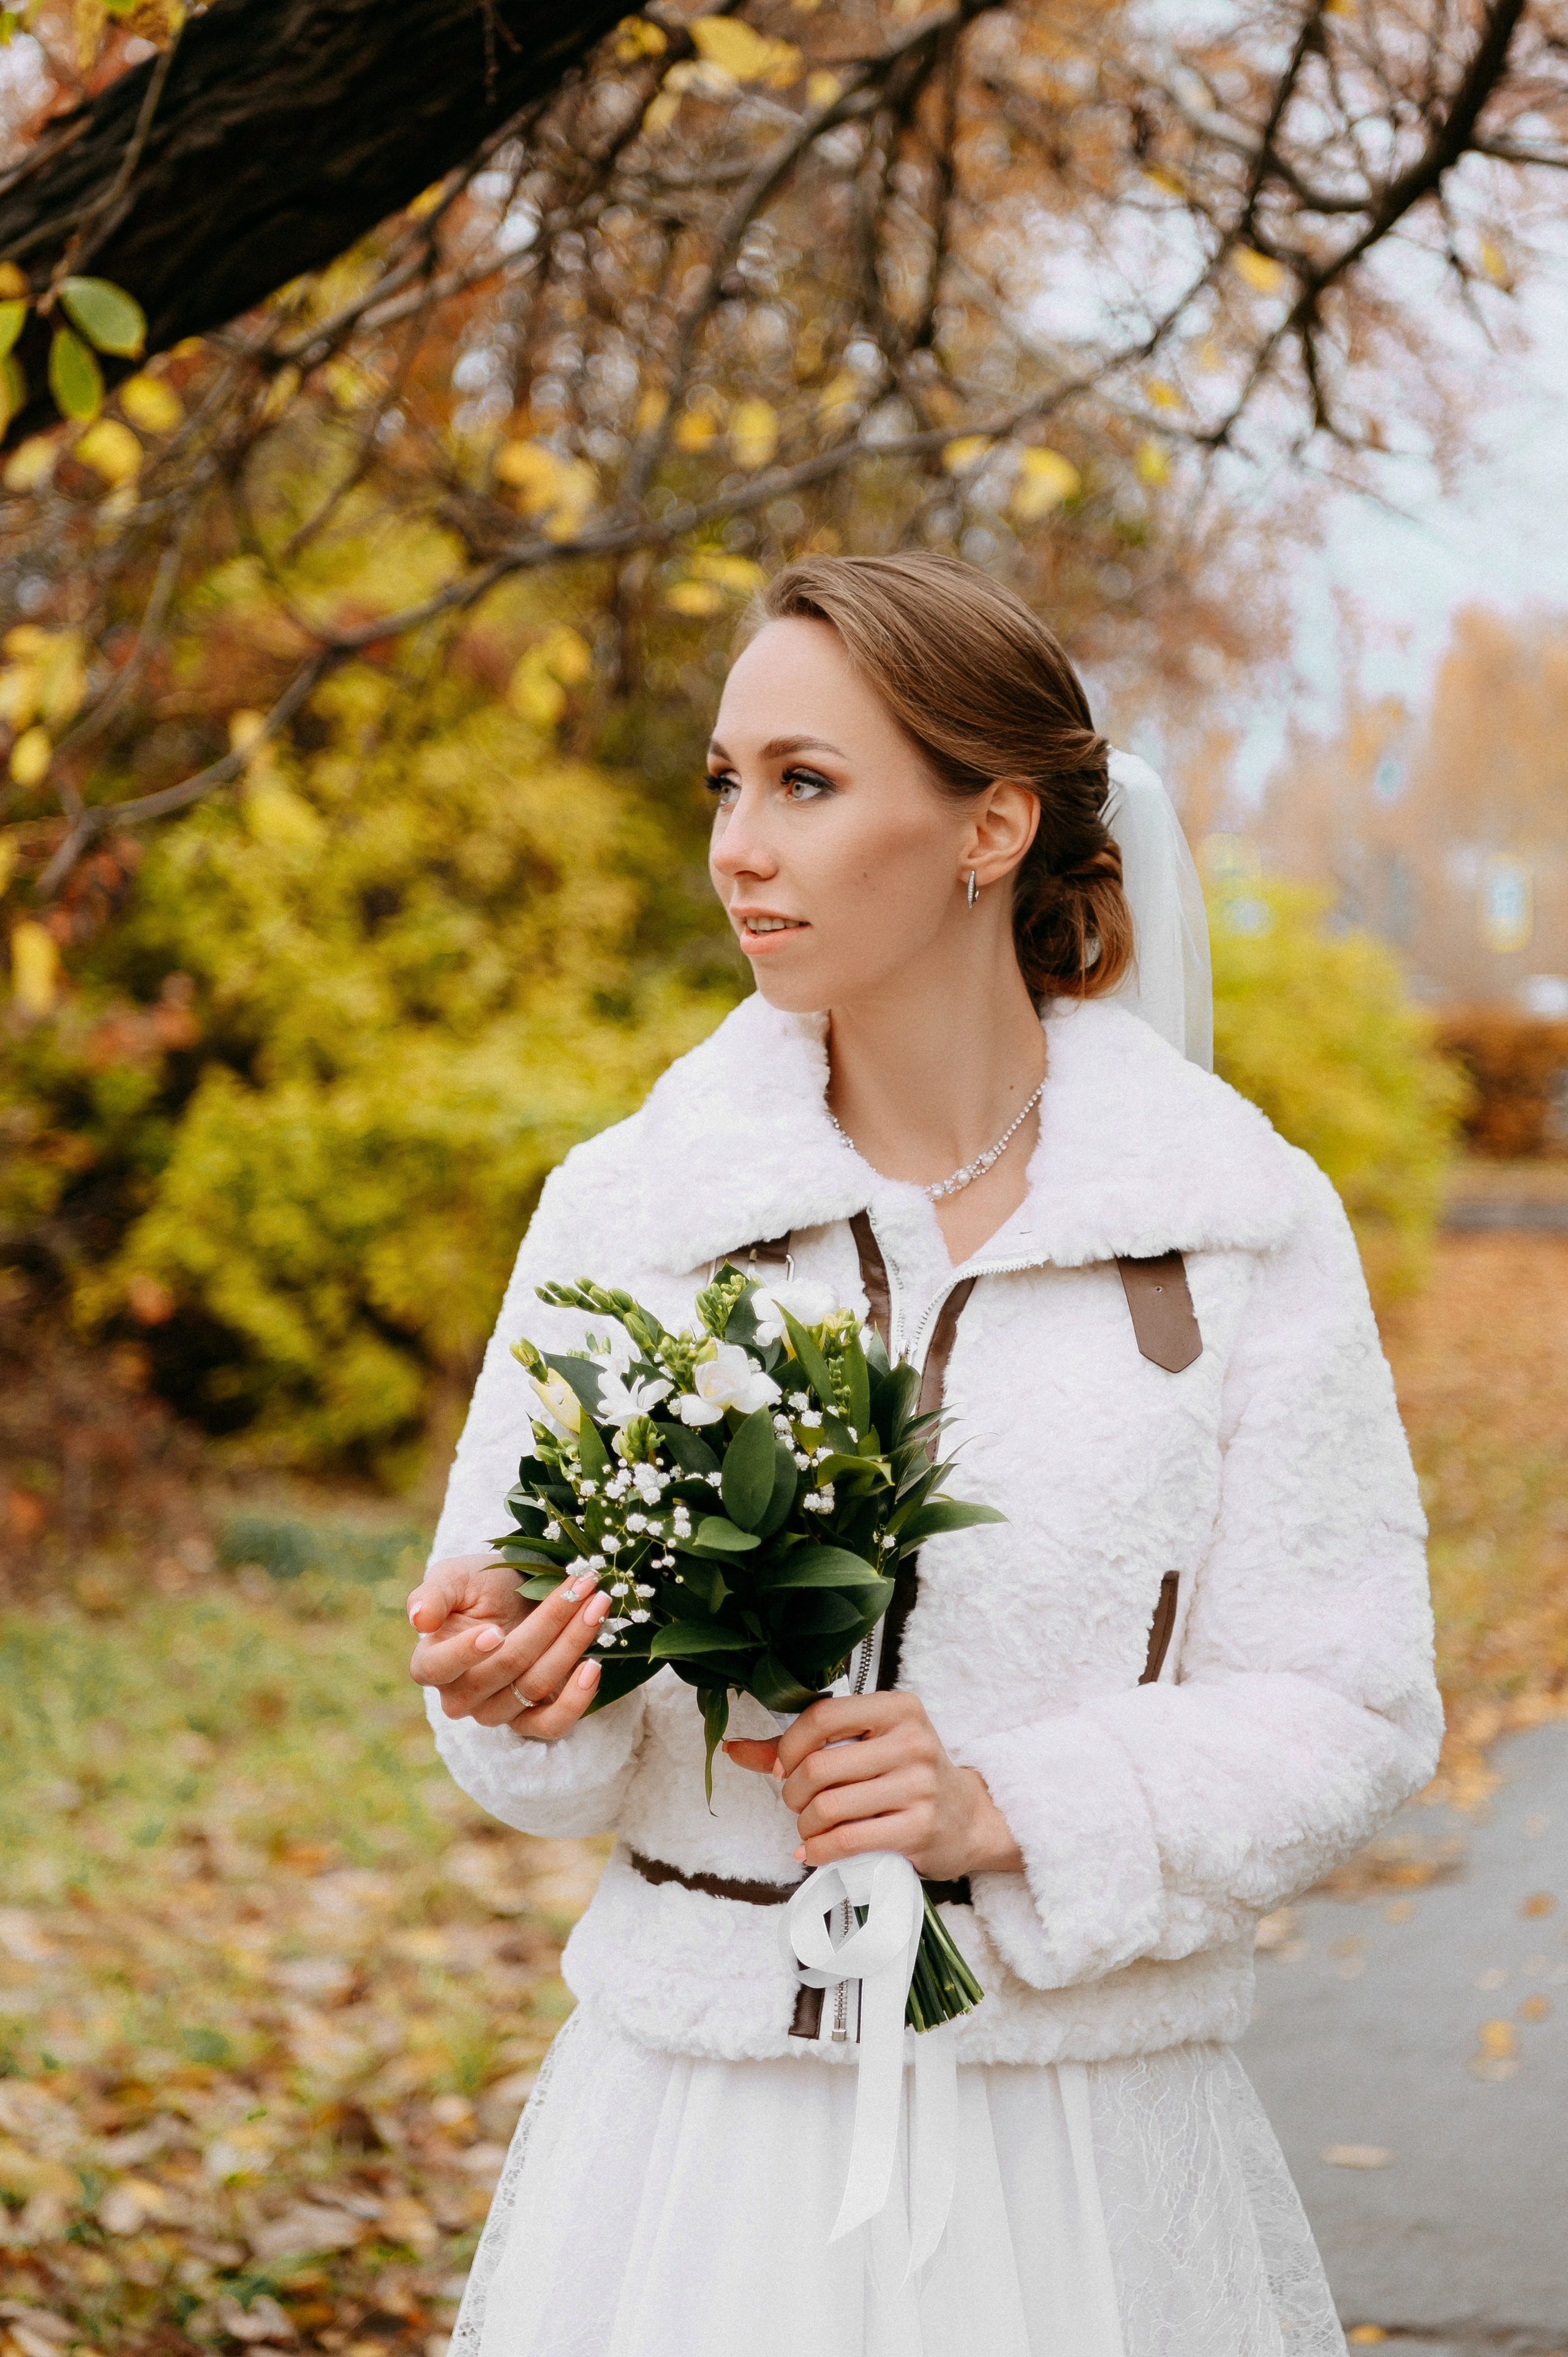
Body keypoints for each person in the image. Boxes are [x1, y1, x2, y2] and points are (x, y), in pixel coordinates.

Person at [407, 552, 1439, 2357]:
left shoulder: (1233, 1221)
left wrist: (1009, 1811)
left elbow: (1350, 1706)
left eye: (806, 784)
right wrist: (519, 1694)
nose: (740, 842)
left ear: (993, 826)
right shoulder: (636, 1210)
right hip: (700, 2145)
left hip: (1086, 2151)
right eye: (725, 784)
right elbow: (518, 1670)